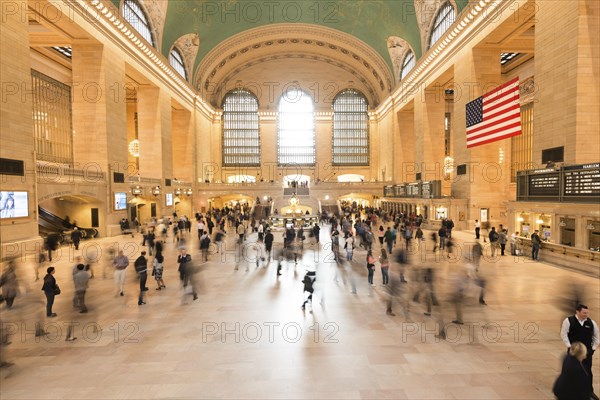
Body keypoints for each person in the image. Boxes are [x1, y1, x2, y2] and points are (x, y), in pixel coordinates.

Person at [560, 304, 600, 399]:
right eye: (584, 313)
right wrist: (570, 347)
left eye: (587, 313)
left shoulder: (591, 323)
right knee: (570, 371)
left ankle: (589, 391)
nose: (586, 314)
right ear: (577, 312)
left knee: (587, 371)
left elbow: (597, 337)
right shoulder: (568, 321)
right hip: (573, 352)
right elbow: (563, 334)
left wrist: (592, 349)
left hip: (587, 353)